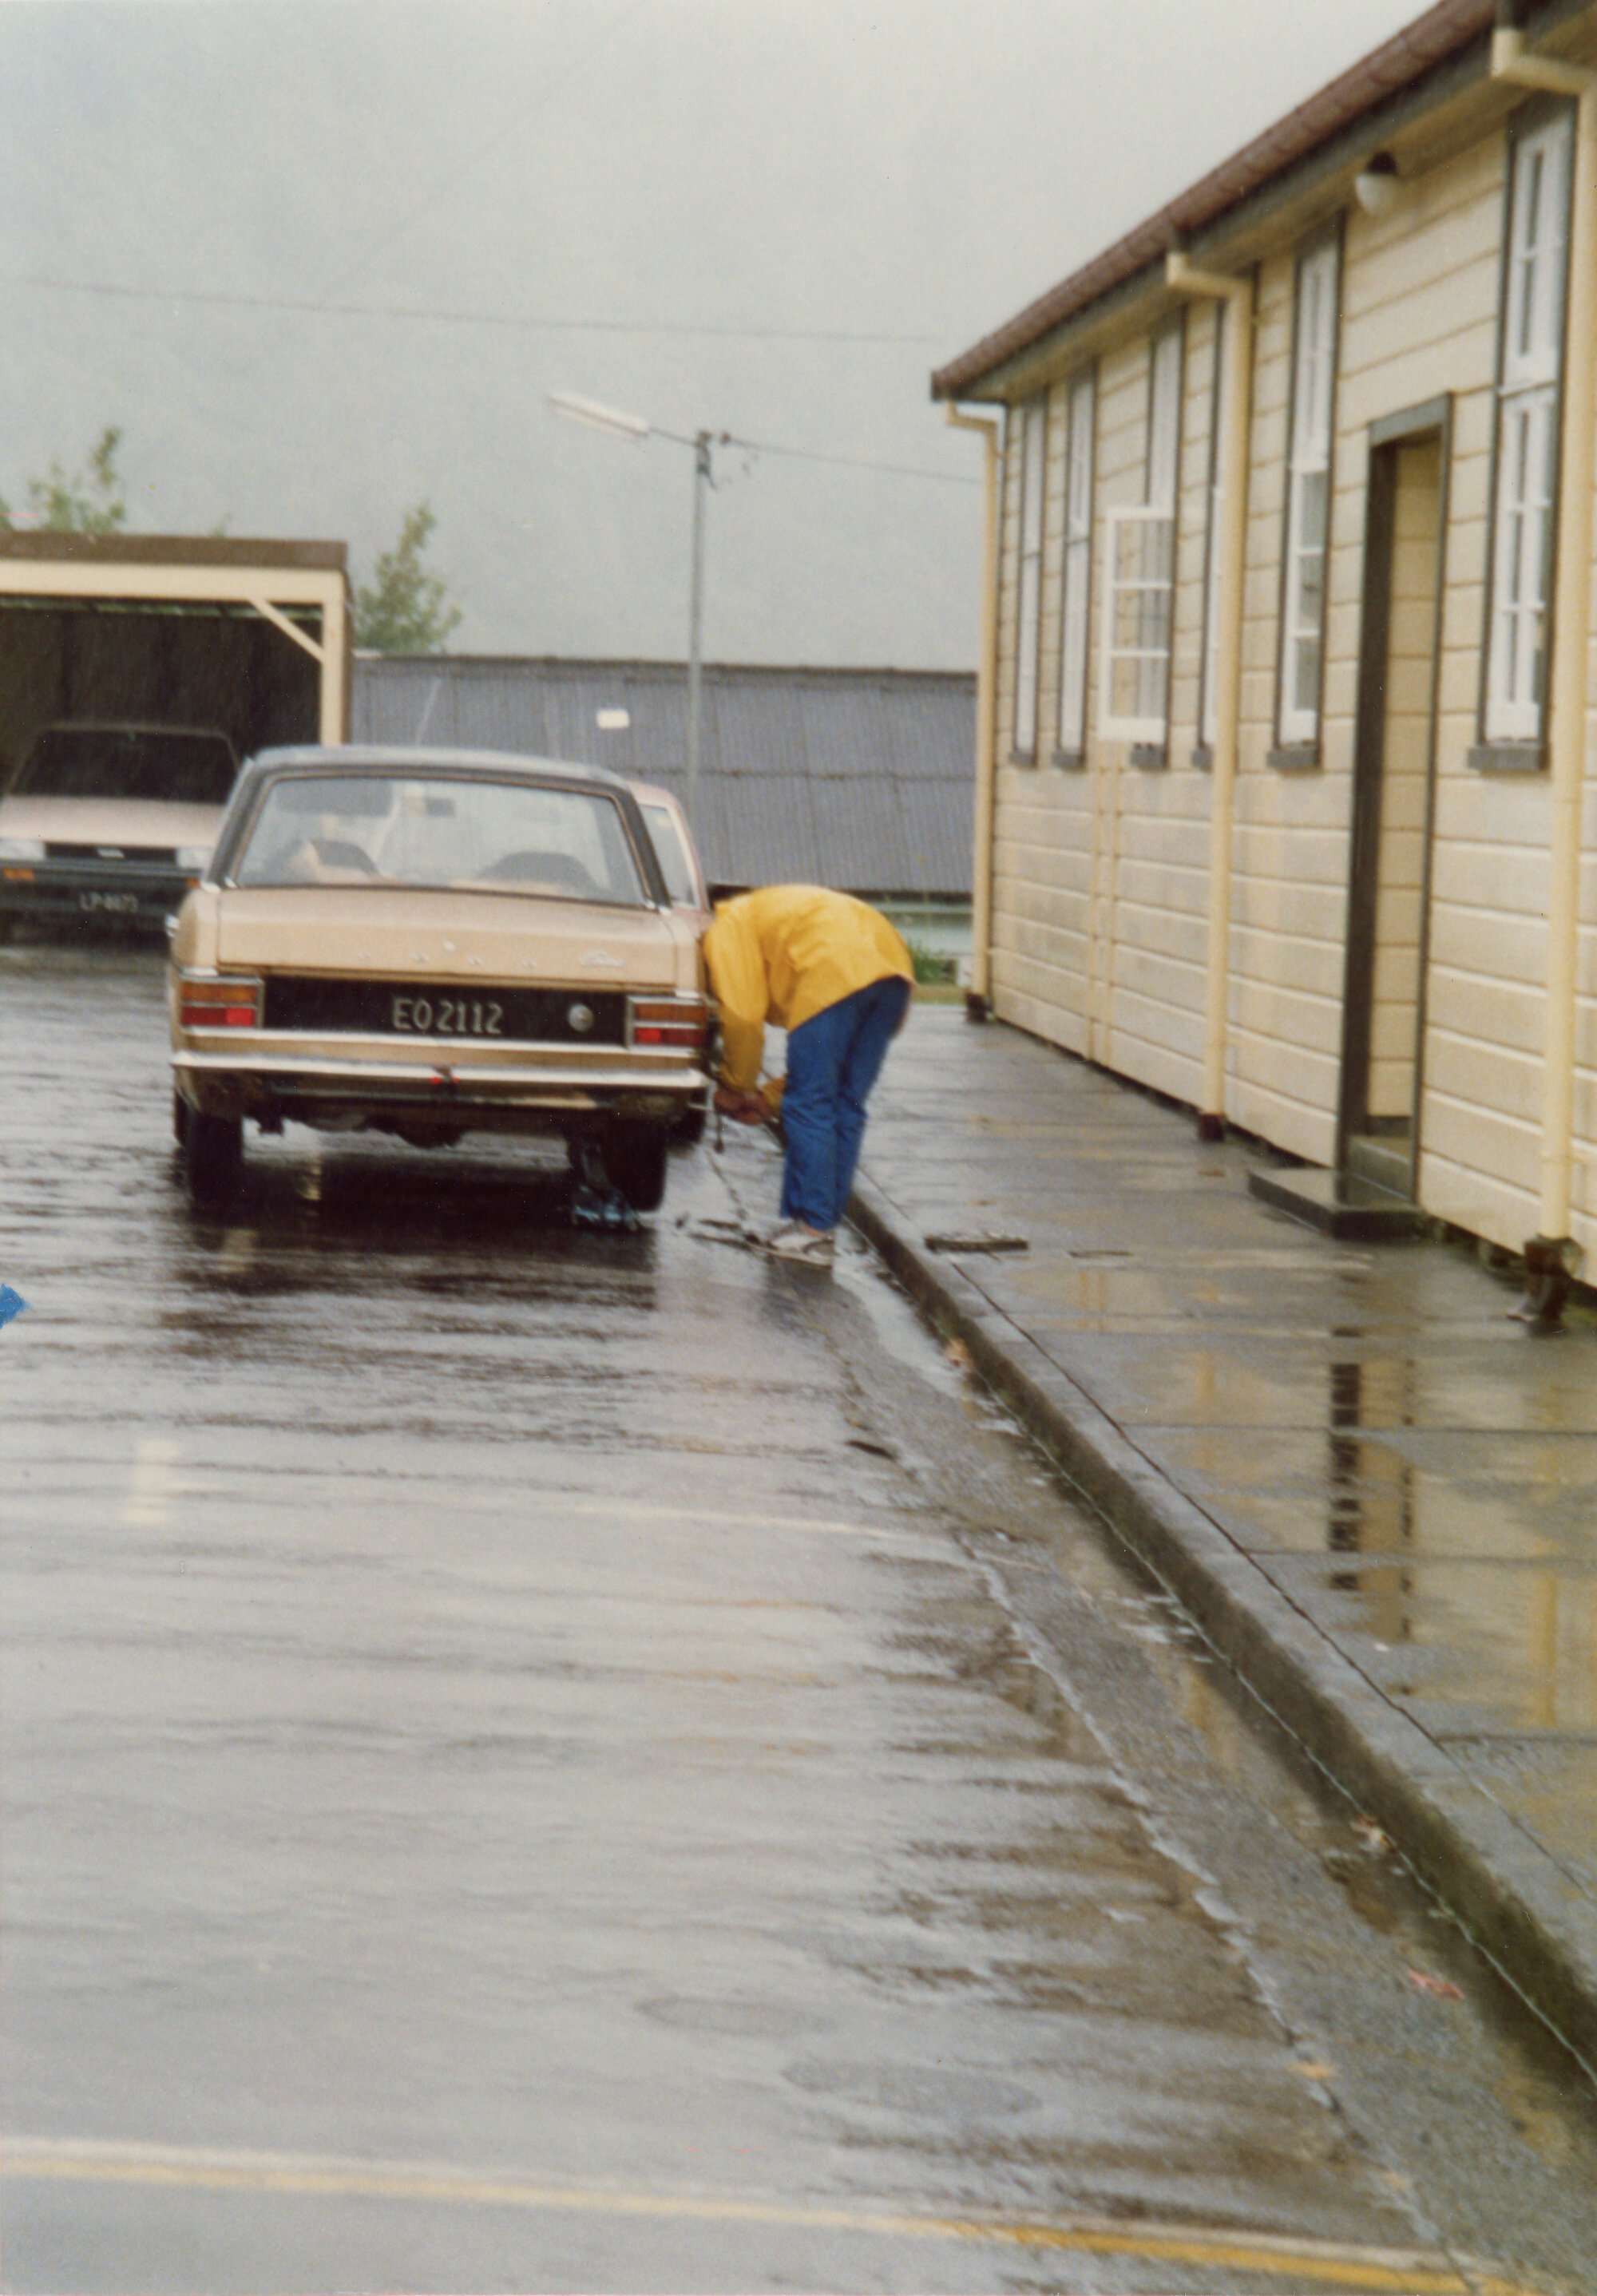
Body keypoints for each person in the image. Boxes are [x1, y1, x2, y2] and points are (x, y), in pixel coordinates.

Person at [703, 885, 913, 1266]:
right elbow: (823, 1069)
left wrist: (734, 1086)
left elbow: (743, 1018)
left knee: (810, 1105)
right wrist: (767, 1099)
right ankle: (820, 1230)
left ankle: (811, 1231)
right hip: (892, 965)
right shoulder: (761, 910)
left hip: (832, 965)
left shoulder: (723, 929)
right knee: (845, 1104)